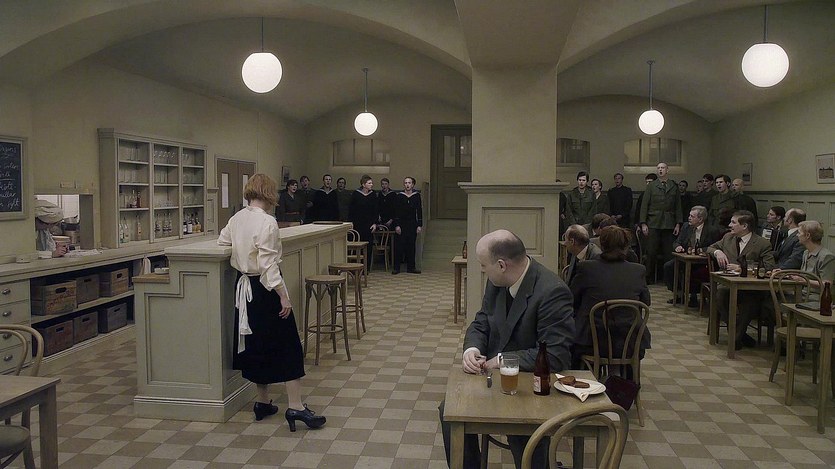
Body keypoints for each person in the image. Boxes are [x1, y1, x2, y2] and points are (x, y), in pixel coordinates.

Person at [439, 229, 574, 469]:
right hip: (495, 379)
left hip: (532, 383)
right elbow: (482, 321)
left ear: (501, 265)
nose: (482, 270)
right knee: (449, 411)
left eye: (483, 265)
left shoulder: (552, 291)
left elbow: (555, 355)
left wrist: (502, 360)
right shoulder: (497, 282)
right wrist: (471, 349)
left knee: (525, 433)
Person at [217, 174, 326, 431]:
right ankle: (296, 406)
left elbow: (223, 241)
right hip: (266, 289)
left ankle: (263, 401)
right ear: (269, 193)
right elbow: (268, 265)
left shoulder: (236, 218)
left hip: (244, 287)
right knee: (289, 345)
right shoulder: (267, 221)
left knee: (256, 344)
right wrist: (283, 295)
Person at [570, 225, 651, 368]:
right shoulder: (637, 270)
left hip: (592, 342)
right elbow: (646, 302)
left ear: (601, 245)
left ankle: (582, 376)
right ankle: (629, 378)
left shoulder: (587, 268)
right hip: (629, 343)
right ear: (626, 246)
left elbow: (571, 299)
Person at [706, 210, 776, 350]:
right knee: (720, 295)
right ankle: (740, 335)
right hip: (727, 285)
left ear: (744, 226)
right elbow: (710, 248)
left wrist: (743, 269)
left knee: (749, 302)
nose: (730, 225)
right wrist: (717, 252)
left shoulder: (762, 243)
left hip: (750, 288)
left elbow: (769, 267)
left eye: (733, 222)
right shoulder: (727, 238)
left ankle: (736, 337)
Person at [662, 205, 721, 306]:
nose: (689, 218)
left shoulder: (712, 230)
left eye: (692, 216)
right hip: (685, 258)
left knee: (693, 271)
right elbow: (677, 242)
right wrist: (678, 247)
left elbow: (713, 247)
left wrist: (700, 251)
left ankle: (693, 296)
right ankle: (679, 294)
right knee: (669, 266)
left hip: (703, 261)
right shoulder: (686, 226)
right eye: (689, 215)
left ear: (700, 219)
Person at [639, 162, 682, 283]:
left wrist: (678, 223)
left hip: (669, 223)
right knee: (651, 252)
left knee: (669, 253)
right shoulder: (652, 186)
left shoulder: (673, 186)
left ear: (667, 170)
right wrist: (643, 223)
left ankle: (669, 279)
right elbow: (644, 205)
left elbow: (678, 206)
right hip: (653, 222)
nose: (660, 170)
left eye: (663, 168)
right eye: (658, 168)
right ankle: (648, 278)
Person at [796, 220, 835, 299]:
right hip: (802, 293)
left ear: (807, 235)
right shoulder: (806, 253)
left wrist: (804, 280)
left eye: (799, 233)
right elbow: (804, 275)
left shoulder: (826, 256)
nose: (797, 235)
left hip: (816, 297)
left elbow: (827, 284)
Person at [392, 177, 423, 275]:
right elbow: (396, 211)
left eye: (409, 183)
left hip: (412, 224)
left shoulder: (416, 196)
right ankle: (396, 268)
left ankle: (411, 267)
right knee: (399, 246)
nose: (407, 185)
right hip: (401, 224)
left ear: (413, 184)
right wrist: (397, 225)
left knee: (411, 246)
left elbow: (419, 210)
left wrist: (419, 225)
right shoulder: (399, 196)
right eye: (405, 183)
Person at [349, 175, 379, 245]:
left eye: (371, 183)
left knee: (368, 244)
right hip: (358, 223)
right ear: (363, 184)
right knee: (358, 243)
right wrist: (351, 222)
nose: (371, 185)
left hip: (369, 224)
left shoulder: (373, 194)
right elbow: (351, 210)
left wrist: (375, 223)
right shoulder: (356, 194)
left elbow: (376, 210)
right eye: (369, 183)